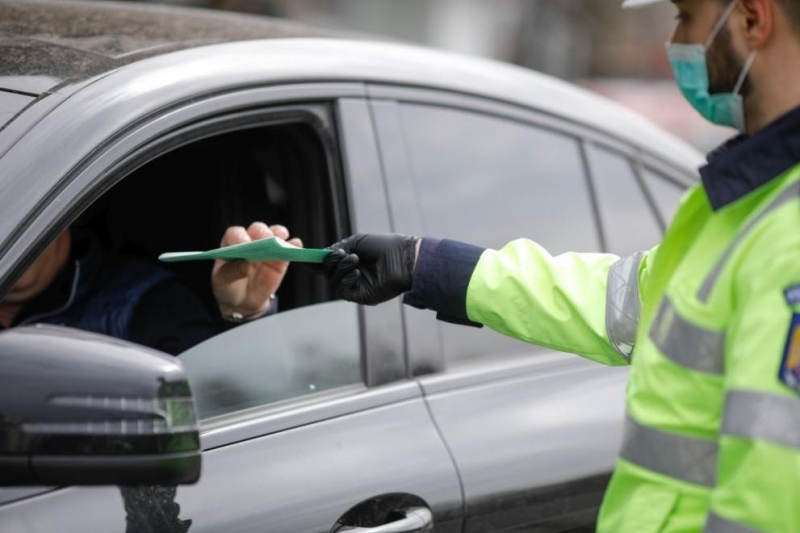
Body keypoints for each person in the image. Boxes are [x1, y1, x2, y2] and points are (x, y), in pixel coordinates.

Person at [323, 0, 800, 531]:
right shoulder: (744, 205)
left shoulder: (788, 234)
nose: (675, 43)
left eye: (684, 16)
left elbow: (770, 501)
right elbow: (616, 302)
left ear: (752, 19)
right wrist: (425, 264)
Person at [0, 221, 301, 355]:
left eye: (26, 217)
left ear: (64, 215)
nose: (12, 231)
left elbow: (222, 402)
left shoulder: (146, 301)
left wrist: (244, 315)